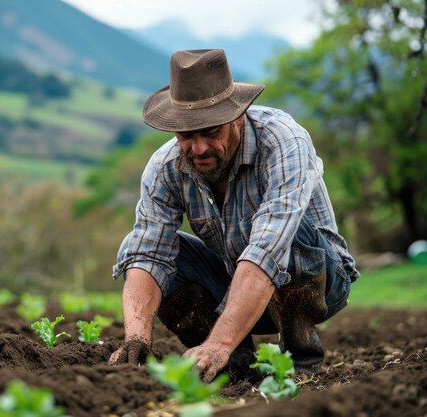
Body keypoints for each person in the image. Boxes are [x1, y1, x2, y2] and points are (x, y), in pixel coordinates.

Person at [108, 49, 359, 383]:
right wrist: (136, 336)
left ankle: (299, 364)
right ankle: (231, 366)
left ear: (237, 117)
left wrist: (220, 341)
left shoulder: (283, 142)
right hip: (233, 285)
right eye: (186, 135)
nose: (198, 149)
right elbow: (147, 252)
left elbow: (268, 249)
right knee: (132, 249)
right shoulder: (166, 167)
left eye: (210, 131)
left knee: (290, 235)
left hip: (319, 280)